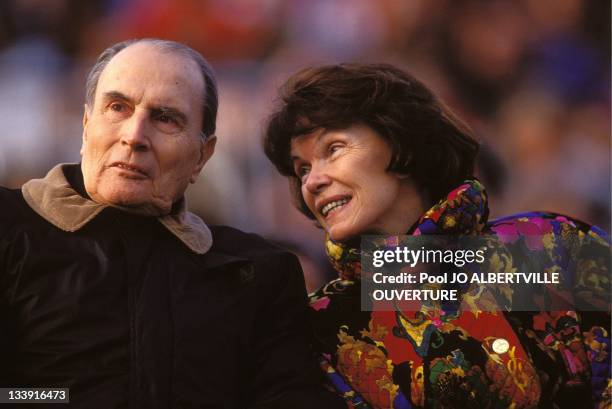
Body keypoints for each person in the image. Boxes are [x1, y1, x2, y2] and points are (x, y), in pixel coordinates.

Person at [0, 39, 347, 409]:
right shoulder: (8, 227)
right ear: (86, 126)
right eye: (117, 107)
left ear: (202, 155)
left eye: (165, 118)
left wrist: (395, 243)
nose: (133, 136)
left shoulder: (260, 272)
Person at [263, 63, 611, 409]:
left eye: (333, 149)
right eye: (302, 169)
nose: (312, 182)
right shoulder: (324, 326)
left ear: (401, 143)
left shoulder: (546, 247)